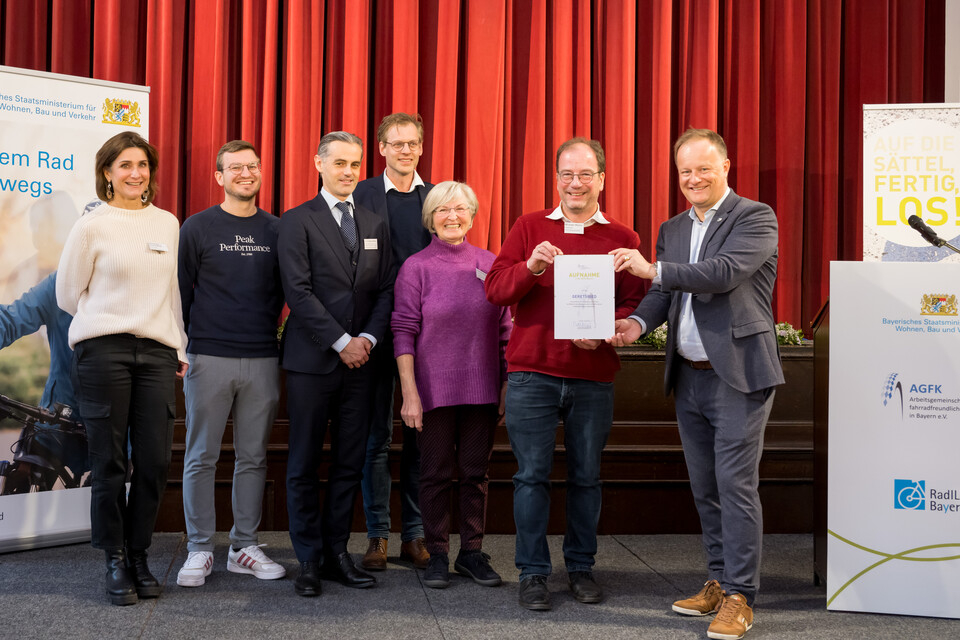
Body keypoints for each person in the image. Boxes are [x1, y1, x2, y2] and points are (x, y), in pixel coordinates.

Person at [608, 128, 783, 640]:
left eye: (704, 168)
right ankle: (717, 578)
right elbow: (666, 296)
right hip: (688, 374)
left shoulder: (755, 216)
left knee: (735, 485)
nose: (694, 179)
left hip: (738, 375)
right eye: (685, 171)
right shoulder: (673, 226)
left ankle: (740, 596)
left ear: (726, 165)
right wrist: (635, 325)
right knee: (706, 488)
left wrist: (654, 269)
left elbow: (721, 273)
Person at [484, 137, 645, 611]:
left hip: (593, 375)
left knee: (586, 478)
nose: (576, 183)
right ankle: (533, 573)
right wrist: (530, 267)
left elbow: (634, 303)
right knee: (530, 476)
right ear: (556, 180)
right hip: (532, 374)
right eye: (567, 175)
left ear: (602, 179)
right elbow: (496, 290)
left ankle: (580, 567)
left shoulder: (625, 238)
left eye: (586, 174)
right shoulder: (529, 227)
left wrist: (609, 329)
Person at [56, 131, 188, 606]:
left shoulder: (168, 223)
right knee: (109, 463)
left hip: (156, 353)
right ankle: (113, 558)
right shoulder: (92, 226)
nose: (136, 173)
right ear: (107, 173)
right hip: (103, 351)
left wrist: (181, 344)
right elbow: (67, 294)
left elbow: (170, 293)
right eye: (125, 165)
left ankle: (139, 554)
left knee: (153, 461)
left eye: (143, 165)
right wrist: (106, 323)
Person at [278, 131, 394, 597]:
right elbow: (297, 292)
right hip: (311, 363)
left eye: (355, 164)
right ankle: (307, 559)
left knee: (349, 462)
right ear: (318, 164)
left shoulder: (373, 221)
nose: (348, 172)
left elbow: (386, 289)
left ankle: (337, 553)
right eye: (339, 163)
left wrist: (366, 338)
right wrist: (341, 340)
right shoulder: (296, 220)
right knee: (304, 463)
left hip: (361, 364)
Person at [175, 141, 285, 588]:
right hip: (208, 356)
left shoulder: (280, 230)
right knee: (200, 456)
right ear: (218, 177)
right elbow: (180, 293)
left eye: (253, 166)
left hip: (263, 357)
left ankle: (243, 546)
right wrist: (183, 349)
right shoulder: (197, 227)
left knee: (253, 457)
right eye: (235, 167)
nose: (246, 173)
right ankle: (199, 548)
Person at [391, 181, 511, 589]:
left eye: (460, 209)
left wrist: (507, 387)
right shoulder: (416, 267)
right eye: (442, 210)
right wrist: (410, 393)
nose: (452, 217)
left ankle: (471, 553)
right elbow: (403, 331)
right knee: (435, 474)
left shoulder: (490, 263)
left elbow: (506, 332)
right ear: (430, 217)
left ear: (473, 216)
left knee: (476, 474)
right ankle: (438, 553)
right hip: (433, 394)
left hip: (482, 392)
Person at [354, 112, 433, 571]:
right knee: (376, 441)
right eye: (396, 143)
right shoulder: (360, 194)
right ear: (381, 149)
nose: (405, 150)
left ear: (421, 148)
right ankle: (379, 536)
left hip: (425, 338)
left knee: (420, 441)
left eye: (412, 143)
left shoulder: (435, 197)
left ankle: (416, 535)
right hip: (373, 335)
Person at [0, 271, 88, 493]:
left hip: (114, 425)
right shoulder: (61, 282)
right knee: (17, 482)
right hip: (53, 421)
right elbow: (11, 319)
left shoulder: (126, 287)